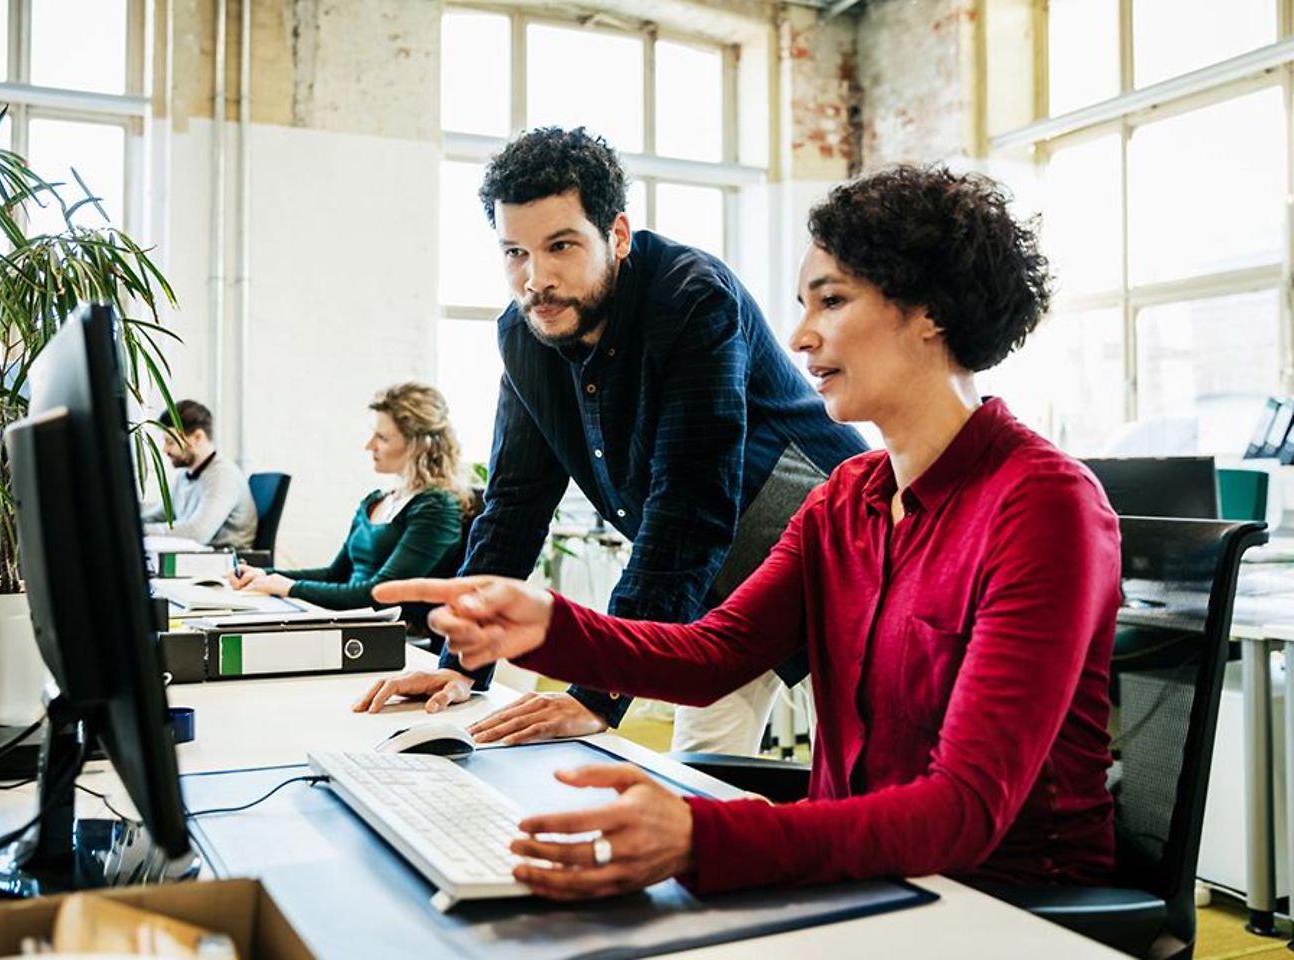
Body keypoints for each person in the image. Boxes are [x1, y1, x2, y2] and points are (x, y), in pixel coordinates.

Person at [373, 165, 1121, 900]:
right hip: (867, 880)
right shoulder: (848, 498)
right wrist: (544, 626)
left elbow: (961, 813)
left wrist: (703, 837)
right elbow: (714, 655)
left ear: (929, 310)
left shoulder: (1042, 504)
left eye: (830, 302)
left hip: (1007, 907)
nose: (798, 336)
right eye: (803, 304)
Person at [356, 127, 867, 753]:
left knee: (874, 768)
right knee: (703, 778)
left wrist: (595, 692)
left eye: (561, 246)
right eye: (514, 252)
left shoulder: (689, 295)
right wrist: (461, 663)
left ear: (617, 235)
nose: (534, 279)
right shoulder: (527, 336)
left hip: (830, 560)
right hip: (706, 591)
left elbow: (690, 503)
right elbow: (514, 503)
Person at [230, 383, 469, 609]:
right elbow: (336, 574)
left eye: (382, 438)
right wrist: (267, 576)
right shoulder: (376, 501)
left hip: (392, 633)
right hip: (353, 619)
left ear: (419, 445)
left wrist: (289, 587)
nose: (369, 446)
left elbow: (380, 593)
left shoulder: (436, 507)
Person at [142, 399, 257, 549]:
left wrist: (140, 531)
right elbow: (161, 514)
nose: (164, 450)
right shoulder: (185, 476)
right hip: (198, 558)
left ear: (197, 437)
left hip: (222, 563)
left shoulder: (223, 476)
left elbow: (197, 533)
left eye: (170, 442)